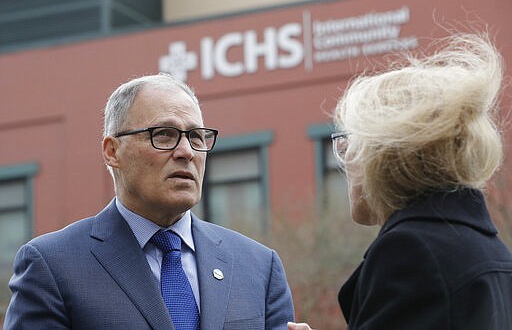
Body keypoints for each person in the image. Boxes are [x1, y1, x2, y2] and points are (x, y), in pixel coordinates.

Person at [5, 73, 294, 329]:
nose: (186, 152)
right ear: (112, 151)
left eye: (196, 136)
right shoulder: (53, 266)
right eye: (164, 135)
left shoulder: (258, 267)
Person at [289, 32, 512, 329]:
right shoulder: (493, 251)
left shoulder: (410, 251)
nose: (346, 163)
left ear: (384, 155)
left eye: (349, 143)